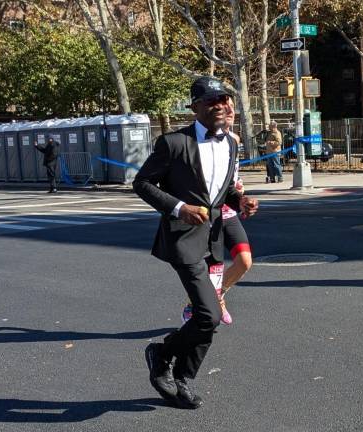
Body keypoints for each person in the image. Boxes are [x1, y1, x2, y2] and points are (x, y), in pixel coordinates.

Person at [133, 76, 258, 409]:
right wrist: (178, 207)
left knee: (208, 319)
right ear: (196, 107)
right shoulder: (173, 143)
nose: (219, 105)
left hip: (213, 238)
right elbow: (142, 183)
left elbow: (221, 189)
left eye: (223, 99)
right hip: (183, 241)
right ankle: (162, 354)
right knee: (209, 315)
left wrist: (240, 200)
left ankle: (183, 378)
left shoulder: (231, 143)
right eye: (210, 100)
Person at [182, 97, 252, 325]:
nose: (229, 110)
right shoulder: (195, 140)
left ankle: (218, 295)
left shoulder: (234, 140)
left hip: (228, 210)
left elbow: (230, 177)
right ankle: (197, 306)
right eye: (224, 106)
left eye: (232, 106)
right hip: (206, 212)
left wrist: (239, 192)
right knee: (212, 268)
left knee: (244, 261)